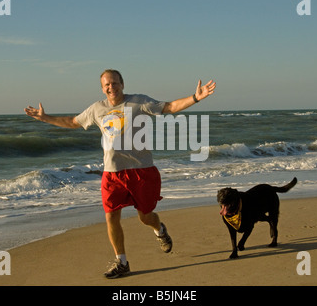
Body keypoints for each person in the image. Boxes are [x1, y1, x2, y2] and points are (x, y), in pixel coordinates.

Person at [24, 69, 216, 278]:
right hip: (112, 174)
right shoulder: (96, 109)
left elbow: (169, 107)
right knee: (111, 217)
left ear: (122, 84)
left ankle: (159, 229)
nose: (111, 87)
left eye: (114, 83)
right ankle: (122, 262)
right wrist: (45, 118)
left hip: (140, 171)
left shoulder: (139, 102)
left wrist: (196, 97)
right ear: (102, 88)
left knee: (145, 217)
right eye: (106, 85)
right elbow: (72, 122)